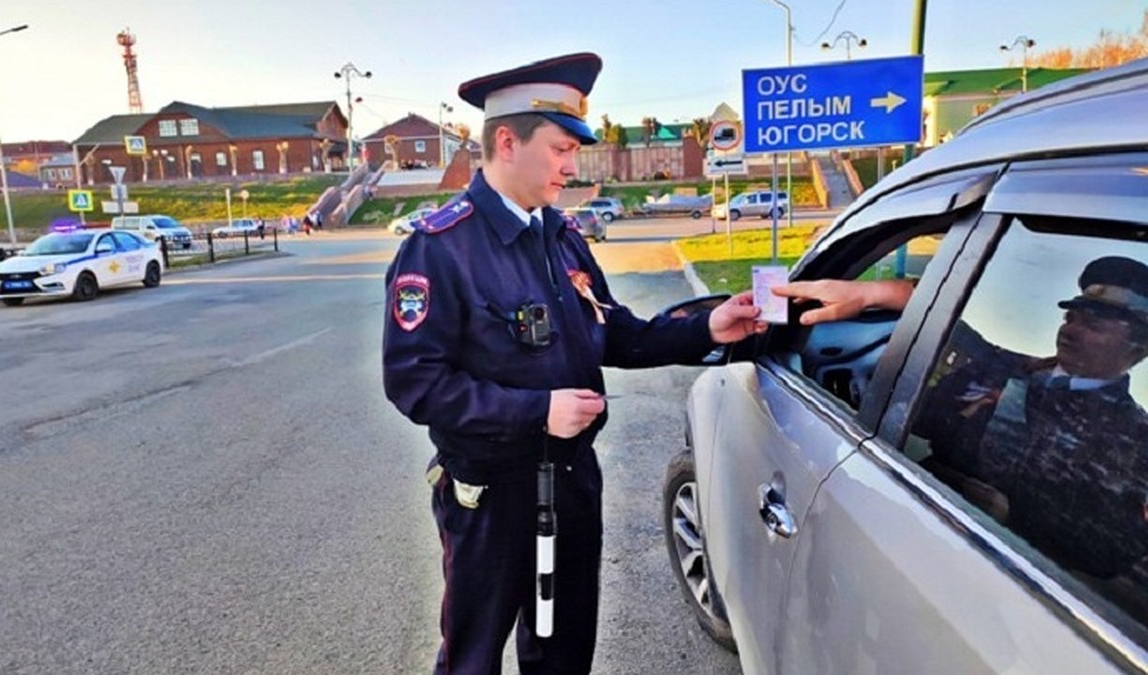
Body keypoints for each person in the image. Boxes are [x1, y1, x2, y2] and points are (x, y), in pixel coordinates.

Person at [381, 52, 767, 674]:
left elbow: (615, 334)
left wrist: (707, 327)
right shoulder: (441, 249)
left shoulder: (559, 234)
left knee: (563, 652)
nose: (571, 164)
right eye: (560, 148)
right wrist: (537, 412)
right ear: (507, 141)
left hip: (570, 482)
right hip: (491, 492)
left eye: (573, 150)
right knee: (472, 655)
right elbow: (415, 383)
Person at [776, 258, 1148, 585]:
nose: (1069, 330)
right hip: (906, 521)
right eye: (1071, 316)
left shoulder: (1135, 435)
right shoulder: (1005, 371)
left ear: (1138, 347)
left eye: (1094, 324)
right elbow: (931, 399)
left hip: (996, 577)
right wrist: (876, 292)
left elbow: (1111, 554)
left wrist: (1009, 518)